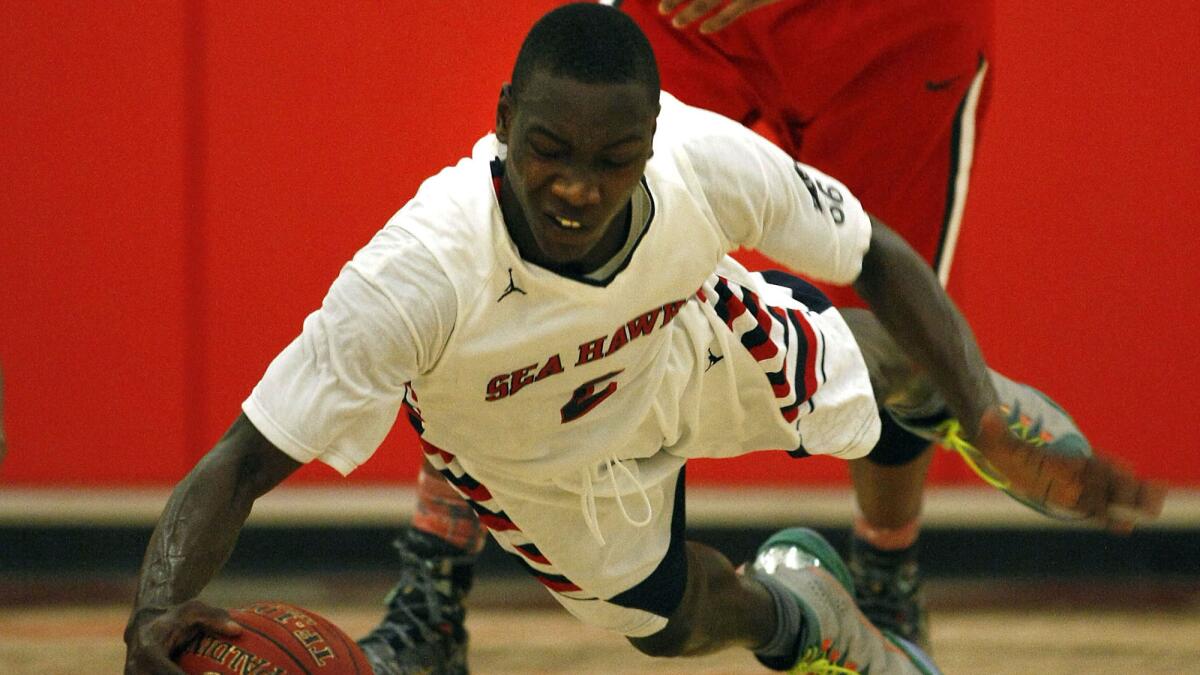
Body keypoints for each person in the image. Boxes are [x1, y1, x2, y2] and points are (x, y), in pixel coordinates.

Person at [123, 5, 1163, 674]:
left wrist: (980, 403)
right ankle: (802, 619)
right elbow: (243, 461)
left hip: (689, 330)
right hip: (543, 451)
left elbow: (878, 258)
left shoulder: (691, 163)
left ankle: (934, 499)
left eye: (614, 158)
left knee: (887, 357)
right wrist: (152, 615)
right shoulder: (415, 272)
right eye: (550, 156)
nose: (577, 186)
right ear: (499, 126)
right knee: (677, 623)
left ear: (653, 142)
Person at [361, 0, 999, 671]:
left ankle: (883, 581)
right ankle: (432, 594)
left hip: (894, 28)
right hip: (693, 16)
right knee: (519, 249)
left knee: (895, 319)